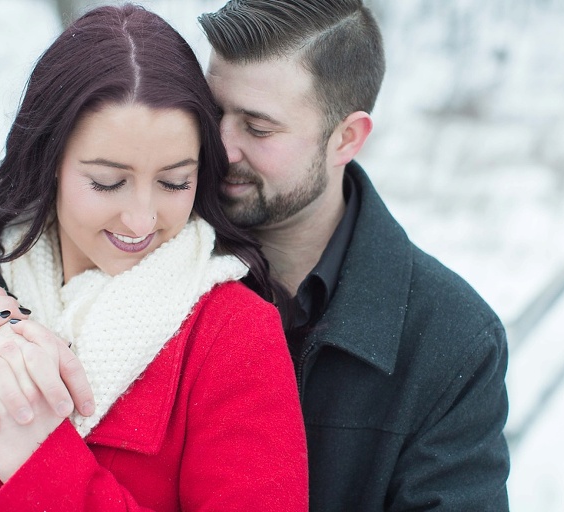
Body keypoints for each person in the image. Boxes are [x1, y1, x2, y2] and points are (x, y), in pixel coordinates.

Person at [0, 4, 307, 510]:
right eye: (107, 182)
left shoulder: (233, 336)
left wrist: (43, 464)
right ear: (50, 162)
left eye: (174, 182)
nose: (142, 220)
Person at [197, 1, 510, 510]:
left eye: (257, 128)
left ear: (346, 138)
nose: (220, 146)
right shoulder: (145, 258)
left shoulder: (453, 339)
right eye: (212, 112)